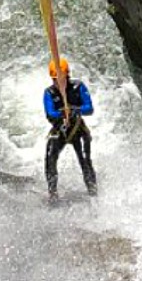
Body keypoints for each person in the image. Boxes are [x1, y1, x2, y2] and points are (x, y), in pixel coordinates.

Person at [44, 57, 97, 202]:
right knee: (50, 158)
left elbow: (89, 108)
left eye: (61, 78)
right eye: (55, 80)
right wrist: (63, 113)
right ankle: (52, 193)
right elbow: (50, 113)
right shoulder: (49, 93)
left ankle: (92, 190)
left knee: (85, 160)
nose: (58, 82)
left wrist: (74, 110)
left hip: (77, 129)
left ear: (67, 75)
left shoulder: (78, 87)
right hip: (59, 130)